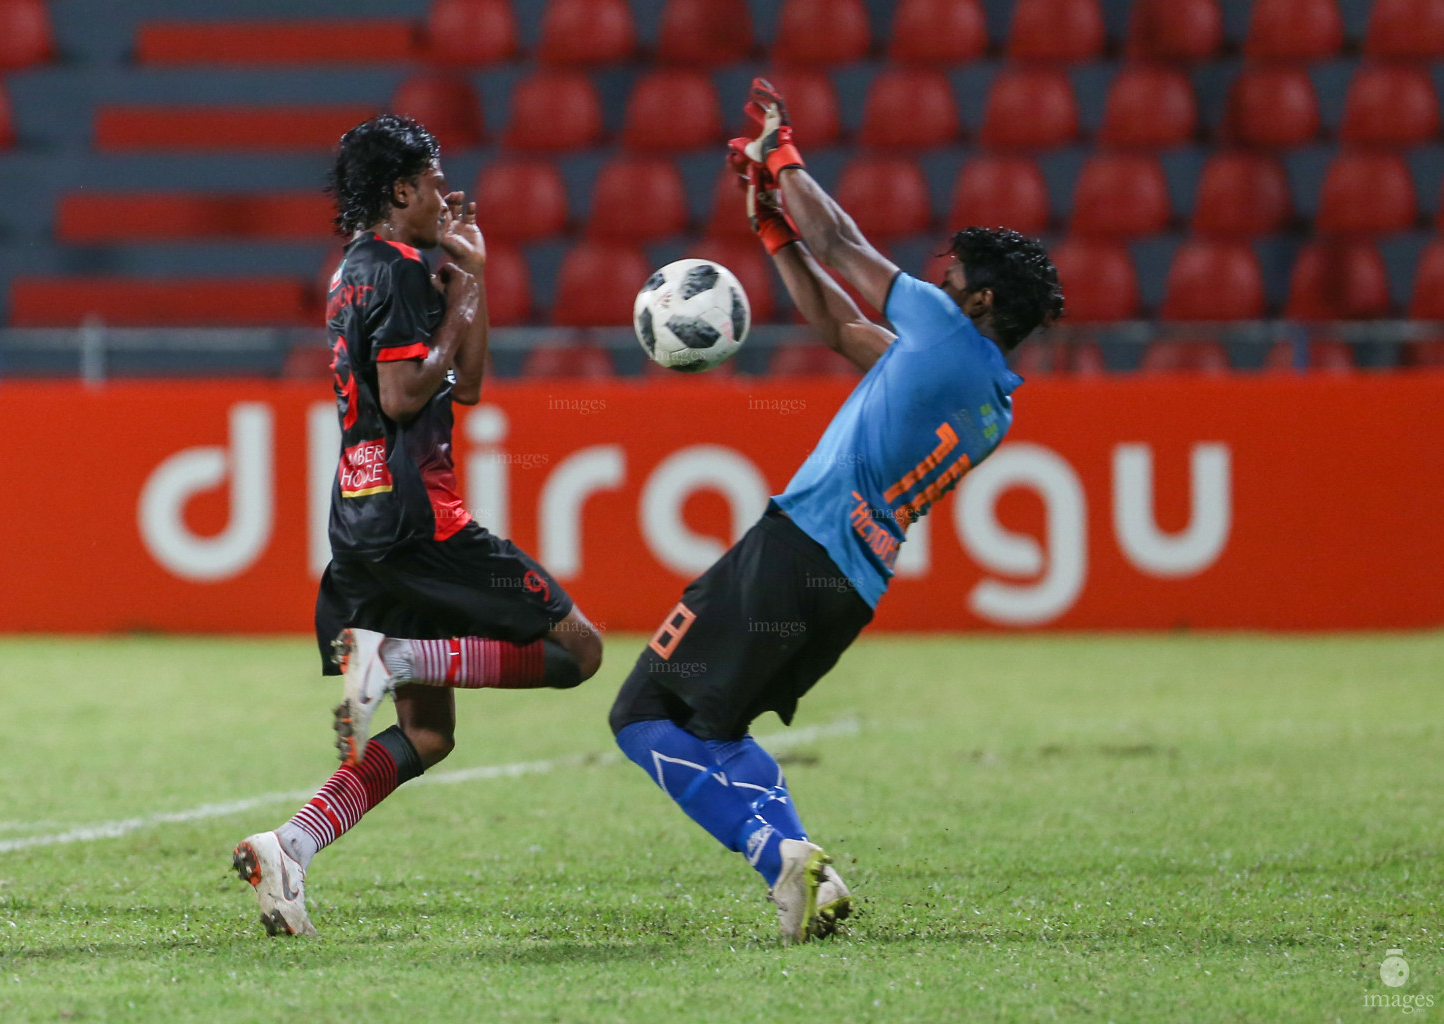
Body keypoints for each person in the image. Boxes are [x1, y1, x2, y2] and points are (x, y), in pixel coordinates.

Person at [608, 80, 1065, 944]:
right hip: (849, 590)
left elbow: (843, 240)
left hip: (792, 548)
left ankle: (770, 851)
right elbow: (842, 329)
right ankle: (805, 872)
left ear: (981, 303)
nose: (940, 273)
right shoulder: (991, 405)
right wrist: (773, 232)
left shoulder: (939, 329)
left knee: (639, 717)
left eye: (954, 272)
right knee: (724, 728)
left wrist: (778, 157)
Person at [233, 114, 603, 937]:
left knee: (427, 733)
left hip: (361, 519)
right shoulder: (397, 272)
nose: (447, 191)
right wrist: (452, 285)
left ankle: (290, 844)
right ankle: (396, 654)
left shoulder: (355, 272)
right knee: (577, 651)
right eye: (435, 179)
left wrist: (470, 278)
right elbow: (407, 398)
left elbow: (465, 386)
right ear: (401, 189)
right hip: (419, 518)